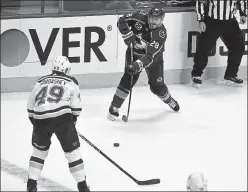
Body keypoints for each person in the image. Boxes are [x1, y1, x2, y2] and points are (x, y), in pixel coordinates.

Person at [26, 56, 90, 192]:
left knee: (38, 152)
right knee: (72, 153)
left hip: (39, 118)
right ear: (66, 69)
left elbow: (30, 107)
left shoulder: (40, 81)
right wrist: (70, 122)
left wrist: (38, 123)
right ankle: (82, 186)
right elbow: (76, 108)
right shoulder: (71, 81)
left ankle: (31, 184)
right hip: (62, 119)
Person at [107, 8, 180, 121]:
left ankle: (169, 99)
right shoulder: (139, 16)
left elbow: (150, 56)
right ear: (148, 16)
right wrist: (127, 34)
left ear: (162, 20)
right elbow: (122, 20)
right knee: (128, 79)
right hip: (133, 54)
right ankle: (114, 106)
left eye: (156, 19)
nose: (153, 21)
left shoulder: (160, 34)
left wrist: (136, 66)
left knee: (157, 87)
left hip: (154, 60)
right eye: (151, 18)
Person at [191, 0, 247, 88]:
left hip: (230, 21)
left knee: (238, 47)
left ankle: (231, 75)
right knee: (204, 48)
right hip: (212, 20)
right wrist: (201, 19)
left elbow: (242, 1)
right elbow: (200, 1)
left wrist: (243, 13)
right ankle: (196, 74)